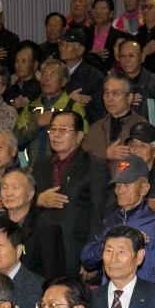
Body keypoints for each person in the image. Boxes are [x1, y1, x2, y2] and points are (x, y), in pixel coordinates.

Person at [32, 111, 110, 275]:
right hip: (40, 251)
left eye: (63, 130)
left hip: (74, 252)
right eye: (52, 130)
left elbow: (99, 215)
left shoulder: (95, 166)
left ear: (79, 135)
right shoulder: (40, 165)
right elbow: (26, 206)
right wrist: (38, 200)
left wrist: (91, 257)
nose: (56, 135)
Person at [81, 159, 155, 283]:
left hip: (143, 297)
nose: (120, 191)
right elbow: (86, 259)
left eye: (127, 185)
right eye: (117, 185)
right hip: (110, 295)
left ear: (144, 188)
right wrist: (110, 244)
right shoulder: (110, 220)